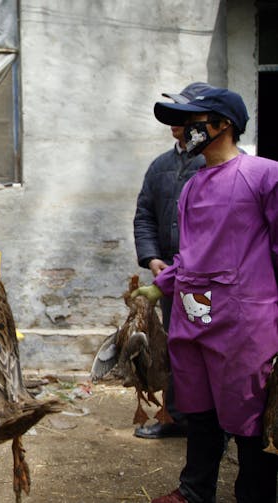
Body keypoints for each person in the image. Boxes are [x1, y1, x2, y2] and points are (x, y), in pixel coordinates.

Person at [134, 87, 278, 503]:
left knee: (249, 418)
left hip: (244, 322)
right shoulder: (192, 185)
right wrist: (157, 285)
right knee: (198, 413)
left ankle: (254, 495)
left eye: (194, 120)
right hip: (192, 318)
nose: (183, 130)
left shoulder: (264, 176)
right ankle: (195, 492)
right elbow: (193, 255)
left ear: (223, 125)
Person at [132, 82, 213, 439]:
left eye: (185, 117)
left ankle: (213, 424)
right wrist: (152, 260)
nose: (176, 124)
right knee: (176, 347)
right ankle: (175, 416)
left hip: (208, 276)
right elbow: (145, 215)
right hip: (169, 276)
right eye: (174, 118)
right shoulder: (160, 166)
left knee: (208, 348)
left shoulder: (212, 163)